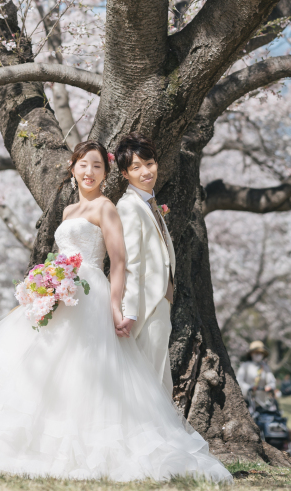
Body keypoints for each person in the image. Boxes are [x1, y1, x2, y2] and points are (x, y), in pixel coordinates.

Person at [0, 140, 232, 482]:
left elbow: (119, 262)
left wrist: (116, 306)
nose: (89, 172)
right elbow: (60, 255)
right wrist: (44, 284)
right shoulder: (68, 211)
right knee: (40, 369)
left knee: (87, 370)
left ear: (106, 173)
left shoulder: (107, 208)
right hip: (62, 293)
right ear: (73, 169)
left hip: (90, 294)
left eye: (97, 166)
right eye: (83, 165)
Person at [114, 134, 175, 394]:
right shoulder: (129, 206)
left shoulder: (148, 203)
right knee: (151, 378)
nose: (146, 171)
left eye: (149, 163)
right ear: (125, 174)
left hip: (160, 299)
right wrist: (130, 312)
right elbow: (130, 262)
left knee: (158, 374)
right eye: (136, 167)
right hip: (146, 304)